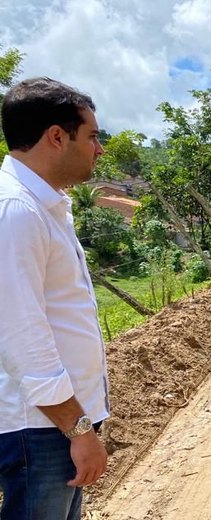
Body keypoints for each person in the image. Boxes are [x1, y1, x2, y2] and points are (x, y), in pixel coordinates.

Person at [0, 77, 108, 519]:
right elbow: (22, 336)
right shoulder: (16, 212)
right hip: (41, 428)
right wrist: (78, 429)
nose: (99, 149)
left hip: (54, 425)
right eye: (93, 136)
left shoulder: (45, 207)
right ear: (57, 137)